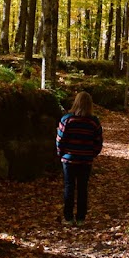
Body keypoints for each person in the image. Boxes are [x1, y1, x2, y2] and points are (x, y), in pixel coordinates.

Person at [55, 91, 103, 225]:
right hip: (85, 160)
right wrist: (91, 154)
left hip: (69, 160)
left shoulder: (67, 119)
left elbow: (60, 139)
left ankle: (68, 217)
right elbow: (98, 141)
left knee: (69, 187)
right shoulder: (94, 122)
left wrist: (61, 153)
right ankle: (81, 217)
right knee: (83, 188)